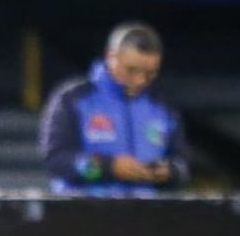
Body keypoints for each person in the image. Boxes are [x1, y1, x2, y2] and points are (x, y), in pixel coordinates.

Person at [39, 20, 190, 196]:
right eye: (131, 70)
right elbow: (56, 161)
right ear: (111, 57)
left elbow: (182, 166)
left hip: (145, 216)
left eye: (150, 73)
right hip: (83, 215)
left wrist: (169, 172)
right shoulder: (73, 98)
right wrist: (108, 167)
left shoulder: (163, 108)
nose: (140, 80)